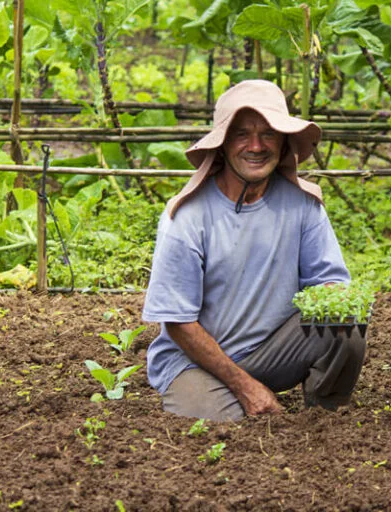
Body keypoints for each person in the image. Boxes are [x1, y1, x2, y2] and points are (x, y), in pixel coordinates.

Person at [141, 80, 366, 421]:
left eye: (269, 134)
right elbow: (178, 322)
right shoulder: (187, 217)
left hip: (272, 352)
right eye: (242, 134)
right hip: (195, 362)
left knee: (343, 319)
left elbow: (328, 282)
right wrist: (244, 385)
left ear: (284, 141)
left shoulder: (303, 205)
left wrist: (336, 297)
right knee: (226, 426)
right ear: (222, 144)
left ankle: (323, 419)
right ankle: (235, 393)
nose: (256, 146)